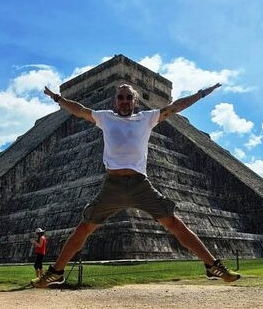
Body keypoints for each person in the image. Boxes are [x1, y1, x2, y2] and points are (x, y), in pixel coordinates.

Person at [32, 82, 240, 288]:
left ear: (135, 101)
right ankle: (57, 272)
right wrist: (58, 99)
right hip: (112, 186)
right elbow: (79, 110)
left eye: (128, 97)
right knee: (84, 227)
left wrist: (201, 93)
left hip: (140, 185)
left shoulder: (146, 119)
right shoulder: (105, 117)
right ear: (115, 101)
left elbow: (175, 107)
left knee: (175, 223)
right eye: (120, 97)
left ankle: (213, 265)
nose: (124, 101)